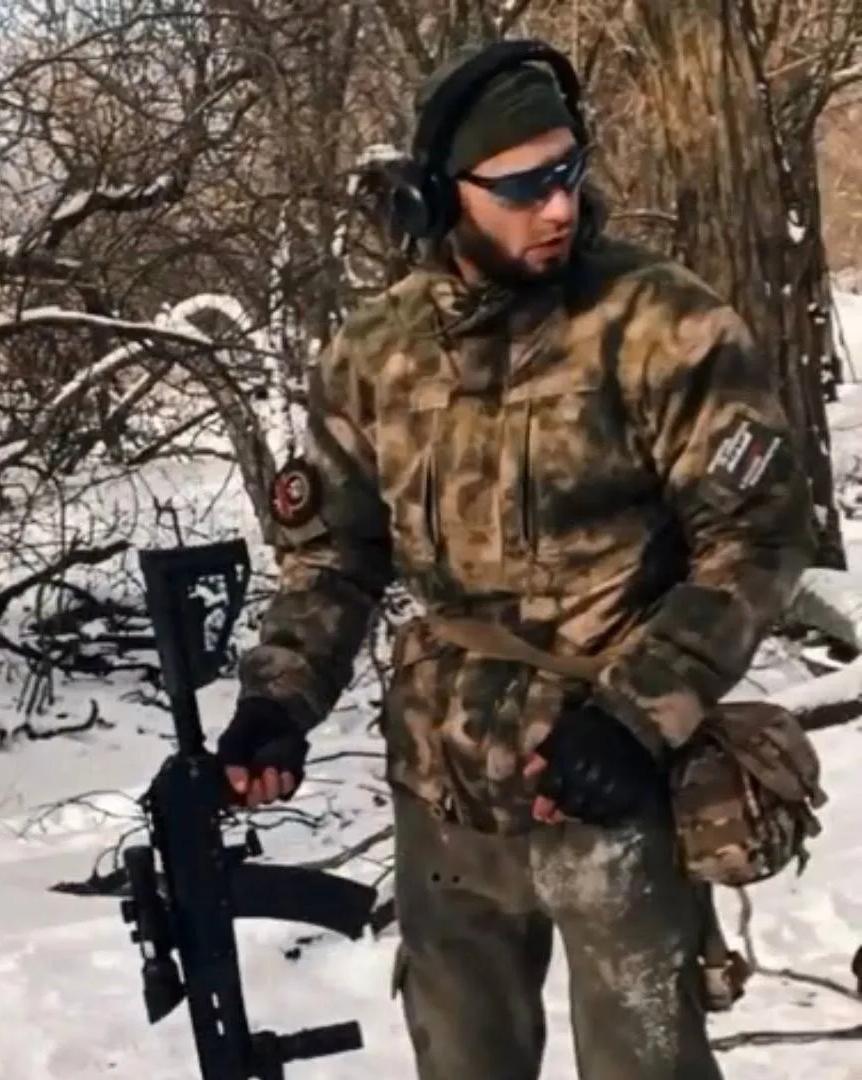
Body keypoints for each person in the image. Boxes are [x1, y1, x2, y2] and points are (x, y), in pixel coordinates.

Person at [213, 38, 815, 1080]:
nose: (560, 207)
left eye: (568, 171)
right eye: (524, 186)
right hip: (444, 797)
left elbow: (756, 535)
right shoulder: (374, 353)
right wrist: (280, 698)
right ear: (442, 195)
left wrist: (638, 714)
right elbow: (334, 557)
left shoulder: (660, 324)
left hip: (607, 789)